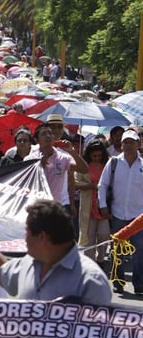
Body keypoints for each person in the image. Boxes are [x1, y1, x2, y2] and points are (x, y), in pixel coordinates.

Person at [0, 200, 112, 305]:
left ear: (42, 237)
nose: (24, 238)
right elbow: (1, 272)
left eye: (26, 231)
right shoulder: (29, 263)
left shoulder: (91, 282)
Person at [98, 129, 143, 295]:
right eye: (126, 142)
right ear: (121, 145)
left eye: (132, 142)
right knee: (117, 251)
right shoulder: (113, 163)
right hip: (117, 214)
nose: (129, 145)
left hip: (138, 217)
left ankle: (139, 284)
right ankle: (118, 282)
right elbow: (102, 185)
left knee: (140, 250)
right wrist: (103, 206)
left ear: (138, 144)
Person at [25, 123, 88, 214]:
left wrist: (73, 152)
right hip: (38, 208)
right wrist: (39, 165)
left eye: (50, 133)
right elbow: (26, 183)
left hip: (57, 208)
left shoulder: (63, 157)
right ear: (36, 140)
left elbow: (84, 169)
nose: (48, 136)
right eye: (44, 134)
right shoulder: (30, 159)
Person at [75, 140, 110, 268]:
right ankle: (90, 264)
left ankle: (101, 257)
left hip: (103, 205)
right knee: (88, 236)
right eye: (94, 156)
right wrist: (90, 186)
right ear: (89, 154)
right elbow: (75, 182)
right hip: (88, 205)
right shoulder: (83, 166)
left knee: (104, 233)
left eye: (99, 156)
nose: (97, 158)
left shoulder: (108, 164)